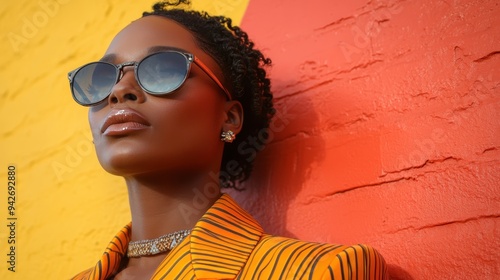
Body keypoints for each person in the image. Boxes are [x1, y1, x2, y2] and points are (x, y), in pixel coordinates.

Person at [68, 1, 388, 279]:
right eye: (102, 77)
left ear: (229, 118)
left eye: (163, 70)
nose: (119, 90)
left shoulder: (323, 271)